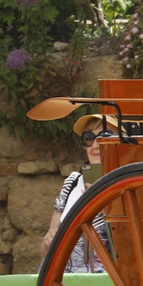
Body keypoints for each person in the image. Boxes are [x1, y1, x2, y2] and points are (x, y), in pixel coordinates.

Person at [40, 113, 115, 271]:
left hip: (107, 285)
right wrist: (48, 240)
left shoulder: (131, 188)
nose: (95, 145)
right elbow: (44, 252)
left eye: (105, 137)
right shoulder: (73, 182)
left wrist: (104, 207)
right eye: (89, 138)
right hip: (62, 283)